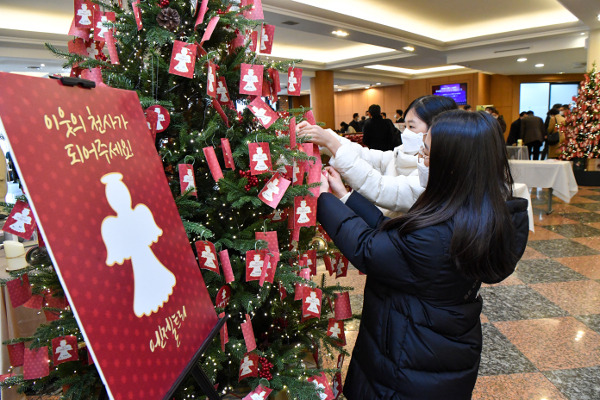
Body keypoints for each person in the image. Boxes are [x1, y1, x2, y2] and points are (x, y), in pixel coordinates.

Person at [316, 110, 529, 399]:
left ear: (453, 164)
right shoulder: (477, 214)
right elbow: (392, 235)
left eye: (426, 153)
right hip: (440, 345)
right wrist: (345, 197)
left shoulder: (440, 233)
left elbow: (369, 248)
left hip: (408, 356)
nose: (420, 160)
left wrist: (321, 199)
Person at [297, 95, 457, 214]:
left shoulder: (433, 174)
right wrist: (327, 138)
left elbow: (380, 188)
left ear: (436, 131)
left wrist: (332, 144)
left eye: (412, 127)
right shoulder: (401, 155)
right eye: (405, 126)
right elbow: (367, 156)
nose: (406, 133)